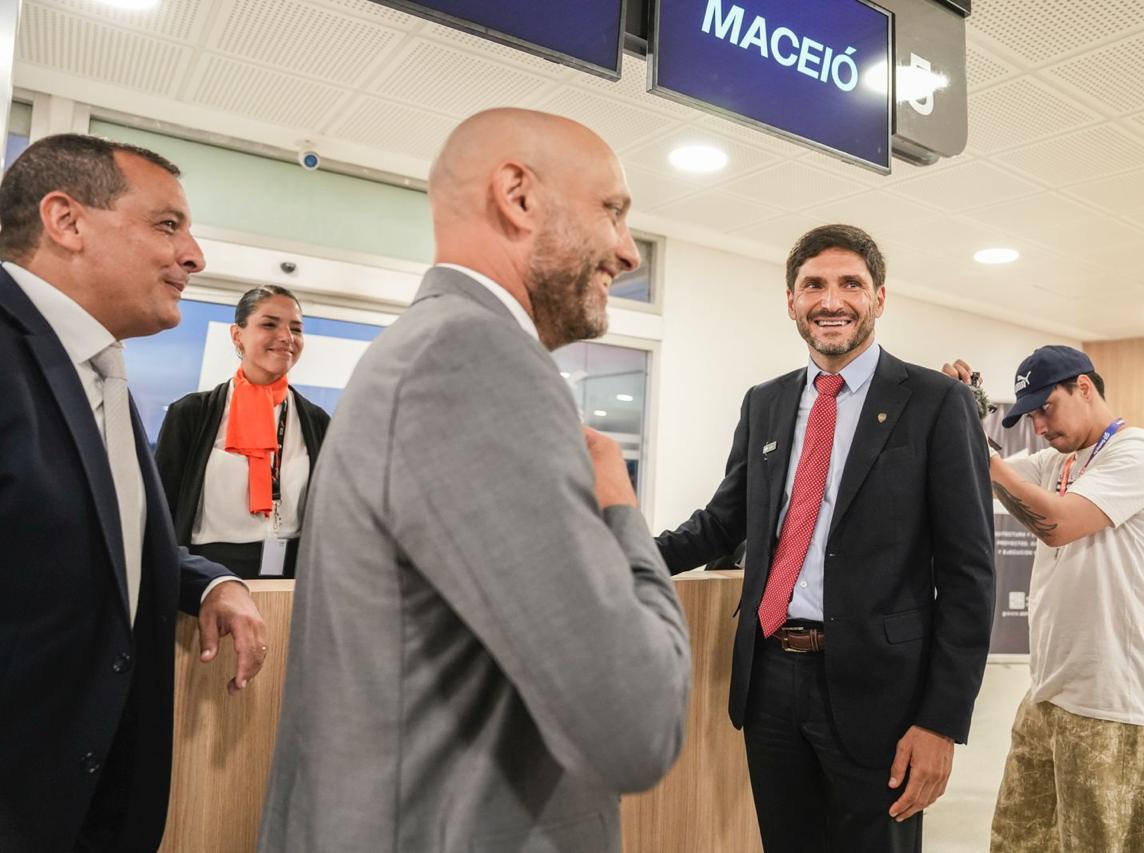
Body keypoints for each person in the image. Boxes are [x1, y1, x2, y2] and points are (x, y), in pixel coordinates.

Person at [257, 109, 690, 853]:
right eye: (612, 211)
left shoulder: (427, 346)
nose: (627, 251)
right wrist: (619, 505)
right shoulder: (472, 357)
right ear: (518, 197)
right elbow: (636, 725)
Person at [657, 224, 996, 852]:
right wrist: (622, 556)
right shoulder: (765, 402)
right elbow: (724, 521)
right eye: (813, 285)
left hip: (882, 692)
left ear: (879, 298)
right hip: (770, 680)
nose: (831, 301)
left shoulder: (936, 402)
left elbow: (969, 576)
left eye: (851, 284)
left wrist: (941, 722)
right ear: (792, 301)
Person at [0, 134, 268, 852]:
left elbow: (95, 531)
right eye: (167, 224)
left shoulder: (96, 370)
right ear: (67, 221)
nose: (194, 256)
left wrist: (209, 582)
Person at [944, 346, 1144, 852]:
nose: (1039, 427)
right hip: (1047, 691)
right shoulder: (1060, 461)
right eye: (1029, 416)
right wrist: (960, 410)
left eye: (1045, 409)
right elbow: (982, 473)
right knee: (1015, 842)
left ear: (1084, 387)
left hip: (1113, 702)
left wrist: (984, 454)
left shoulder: (1142, 454)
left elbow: (1056, 524)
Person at [155, 285, 330, 579]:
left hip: (292, 575)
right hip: (208, 574)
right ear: (237, 335)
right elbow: (161, 511)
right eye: (269, 324)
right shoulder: (191, 414)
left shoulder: (316, 422)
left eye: (296, 329)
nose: (287, 337)